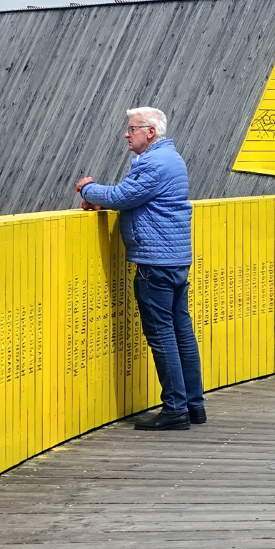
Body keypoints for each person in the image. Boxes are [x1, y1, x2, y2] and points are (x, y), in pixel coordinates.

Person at [73, 107, 206, 431]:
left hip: (154, 262)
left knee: (162, 335)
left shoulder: (154, 164)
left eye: (132, 128)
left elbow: (123, 195)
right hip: (174, 259)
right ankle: (193, 406)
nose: (126, 134)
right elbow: (135, 198)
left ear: (150, 131)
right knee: (181, 332)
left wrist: (88, 189)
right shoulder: (172, 159)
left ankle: (175, 408)